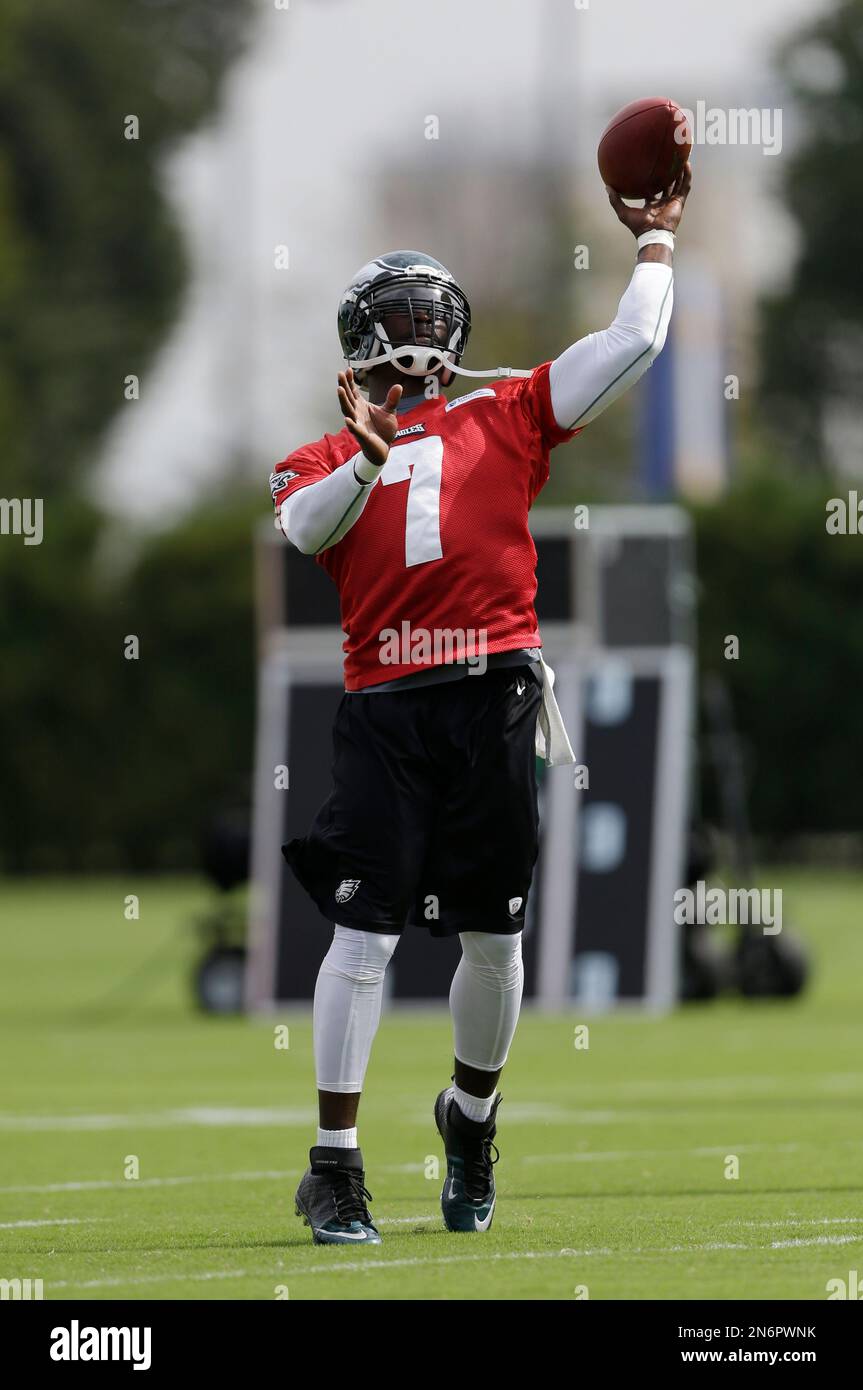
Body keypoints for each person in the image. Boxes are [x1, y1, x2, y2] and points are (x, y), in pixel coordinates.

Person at [270, 165, 692, 1245]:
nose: (411, 334)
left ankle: (470, 1116)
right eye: (392, 318)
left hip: (493, 697)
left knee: (492, 941)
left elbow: (631, 344)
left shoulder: (506, 413)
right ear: (357, 342)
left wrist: (652, 241)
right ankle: (334, 1167)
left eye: (427, 315)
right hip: (386, 709)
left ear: (454, 331)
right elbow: (306, 529)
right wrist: (366, 460)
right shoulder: (320, 457)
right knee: (360, 935)